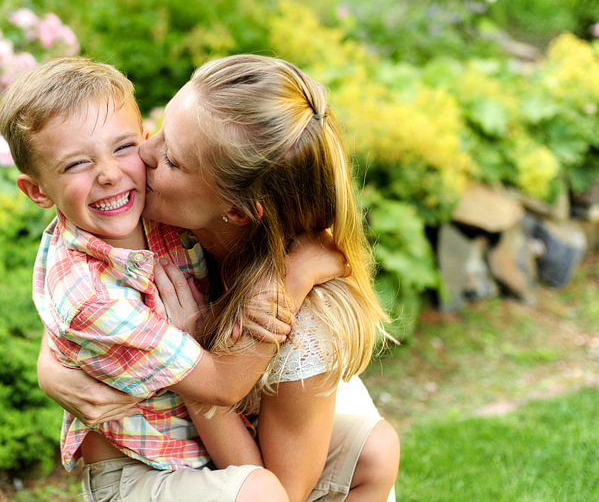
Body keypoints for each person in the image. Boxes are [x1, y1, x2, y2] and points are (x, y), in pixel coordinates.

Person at [35, 54, 400, 502]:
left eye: (170, 158)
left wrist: (198, 339)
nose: (141, 154)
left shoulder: (306, 316)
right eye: (156, 130)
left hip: (256, 448)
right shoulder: (163, 202)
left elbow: (283, 491)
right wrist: (51, 363)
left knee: (374, 451)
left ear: (236, 211)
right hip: (169, 455)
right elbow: (79, 271)